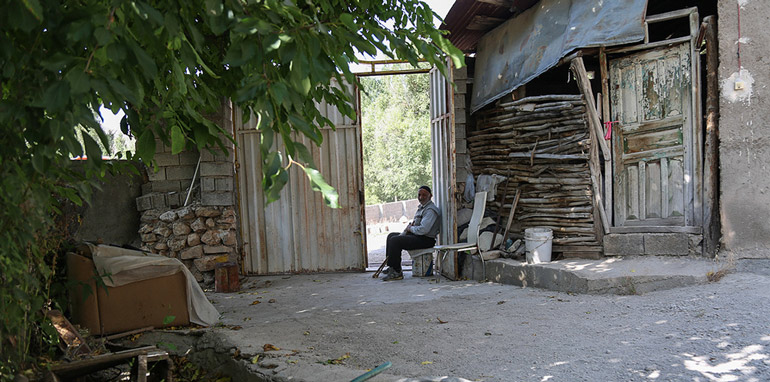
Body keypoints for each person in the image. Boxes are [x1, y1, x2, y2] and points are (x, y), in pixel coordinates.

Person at [382, 185, 440, 281]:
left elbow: (423, 230)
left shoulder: (430, 210)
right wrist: (411, 228)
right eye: (419, 195)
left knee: (395, 241)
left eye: (424, 195)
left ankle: (397, 272)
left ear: (430, 196)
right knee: (391, 236)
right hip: (419, 236)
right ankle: (392, 267)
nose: (421, 197)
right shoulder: (422, 208)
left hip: (426, 239)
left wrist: (411, 229)